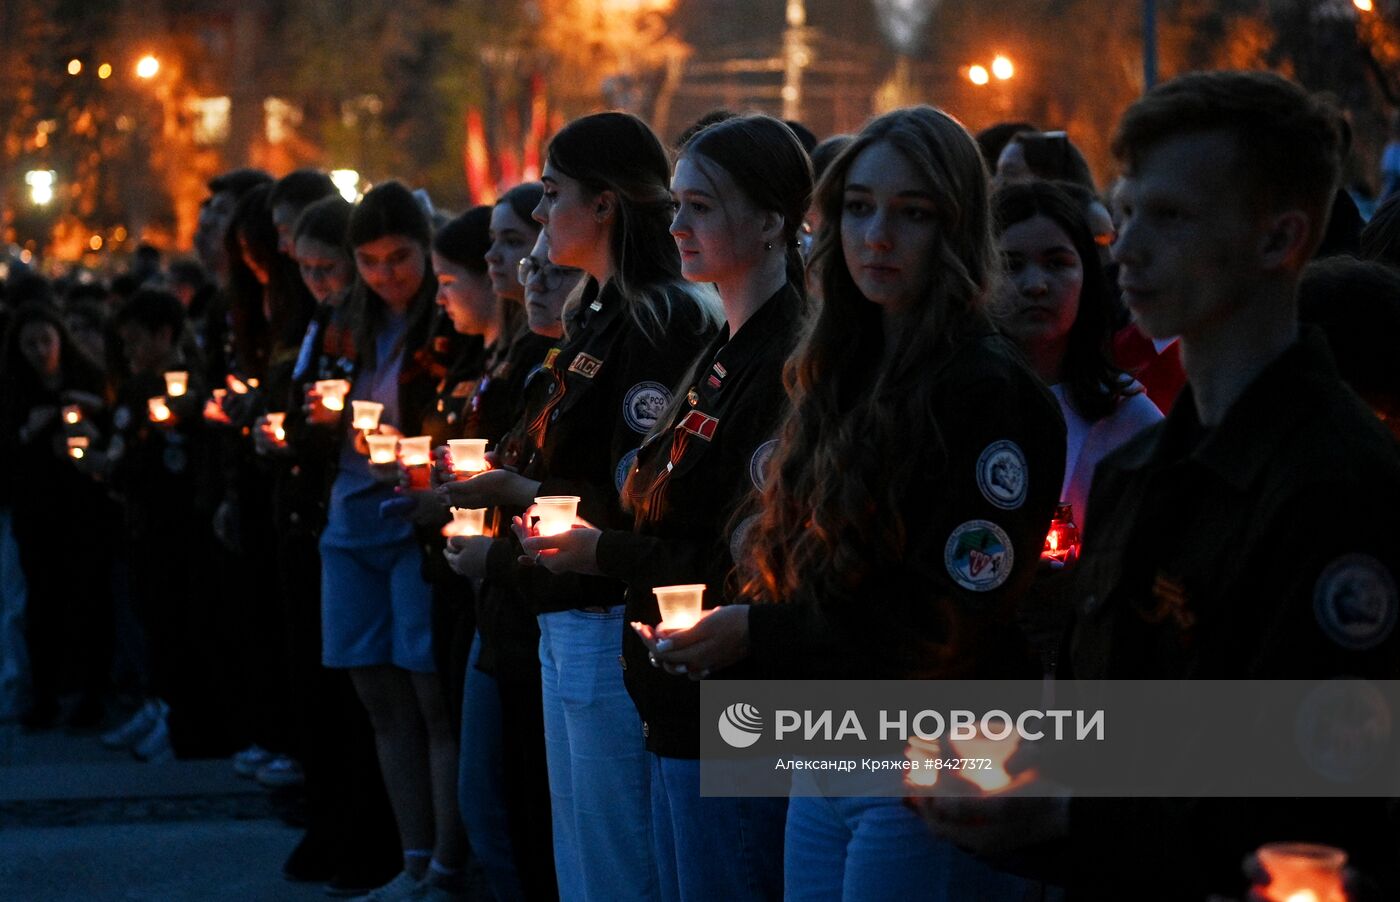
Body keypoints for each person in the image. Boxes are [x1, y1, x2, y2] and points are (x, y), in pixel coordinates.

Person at [921, 70, 1400, 901]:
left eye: (1171, 217)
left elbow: (1322, 786)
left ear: (1280, 238)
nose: (1130, 247)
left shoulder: (1337, 485)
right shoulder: (1143, 468)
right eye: (1129, 210)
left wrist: (1071, 817)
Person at [647, 105, 1065, 901]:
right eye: (860, 207)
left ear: (956, 227)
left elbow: (945, 613)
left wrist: (757, 632)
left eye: (912, 214)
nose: (877, 236)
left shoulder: (987, 388)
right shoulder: (838, 366)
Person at [522, 113, 811, 902]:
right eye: (676, 203)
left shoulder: (785, 359)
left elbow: (734, 553)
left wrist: (600, 552)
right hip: (674, 692)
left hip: (738, 704)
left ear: (774, 221)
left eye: (703, 207)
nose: (677, 223)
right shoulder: (723, 349)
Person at [440, 111, 721, 902]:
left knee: (618, 857)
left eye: (552, 192)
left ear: (604, 205)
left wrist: (518, 493)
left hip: (606, 611)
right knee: (581, 856)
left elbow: (641, 495)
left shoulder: (660, 318)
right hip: (558, 607)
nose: (537, 213)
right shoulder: (596, 312)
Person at [313, 181, 467, 901]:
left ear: (426, 247)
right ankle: (409, 858)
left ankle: (445, 862)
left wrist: (418, 460)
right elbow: (317, 406)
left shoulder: (449, 321)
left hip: (418, 526)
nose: (385, 275)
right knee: (379, 696)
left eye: (399, 257)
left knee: (430, 693)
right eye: (369, 261)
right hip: (352, 519)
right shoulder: (344, 323)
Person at [992, 181, 1161, 529]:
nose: (1036, 285)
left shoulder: (1128, 418)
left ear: (1086, 275)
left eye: (1057, 263)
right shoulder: (951, 403)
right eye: (1011, 265)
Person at [0, 303, 113, 729]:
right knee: (42, 605)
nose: (38, 351)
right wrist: (28, 432)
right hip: (37, 511)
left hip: (83, 510)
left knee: (88, 601)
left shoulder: (86, 382)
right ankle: (45, 695)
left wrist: (93, 416)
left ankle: (88, 695)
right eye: (29, 343)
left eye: (45, 340)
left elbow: (110, 424)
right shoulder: (13, 392)